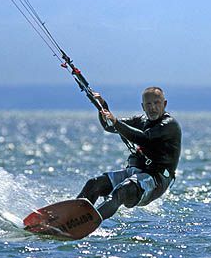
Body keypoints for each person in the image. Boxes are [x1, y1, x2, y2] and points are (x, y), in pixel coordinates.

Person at [77, 86, 182, 220]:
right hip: (134, 173)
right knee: (94, 184)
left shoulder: (169, 125)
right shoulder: (141, 120)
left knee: (121, 191)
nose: (153, 108)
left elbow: (144, 138)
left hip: (155, 180)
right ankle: (69, 217)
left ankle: (85, 222)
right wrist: (102, 105)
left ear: (164, 104)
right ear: (143, 106)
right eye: (148, 104)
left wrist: (116, 122)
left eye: (157, 103)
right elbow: (110, 126)